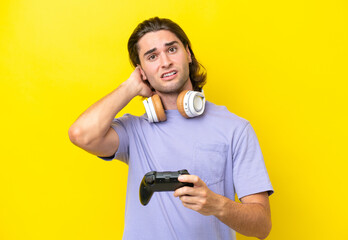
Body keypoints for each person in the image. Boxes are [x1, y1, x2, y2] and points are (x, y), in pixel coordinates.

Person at [68, 17, 274, 240]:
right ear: (142, 71)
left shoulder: (235, 128)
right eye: (152, 56)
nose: (165, 62)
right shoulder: (134, 131)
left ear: (188, 54)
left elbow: (262, 226)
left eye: (172, 49)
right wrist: (129, 87)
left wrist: (218, 205)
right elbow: (80, 134)